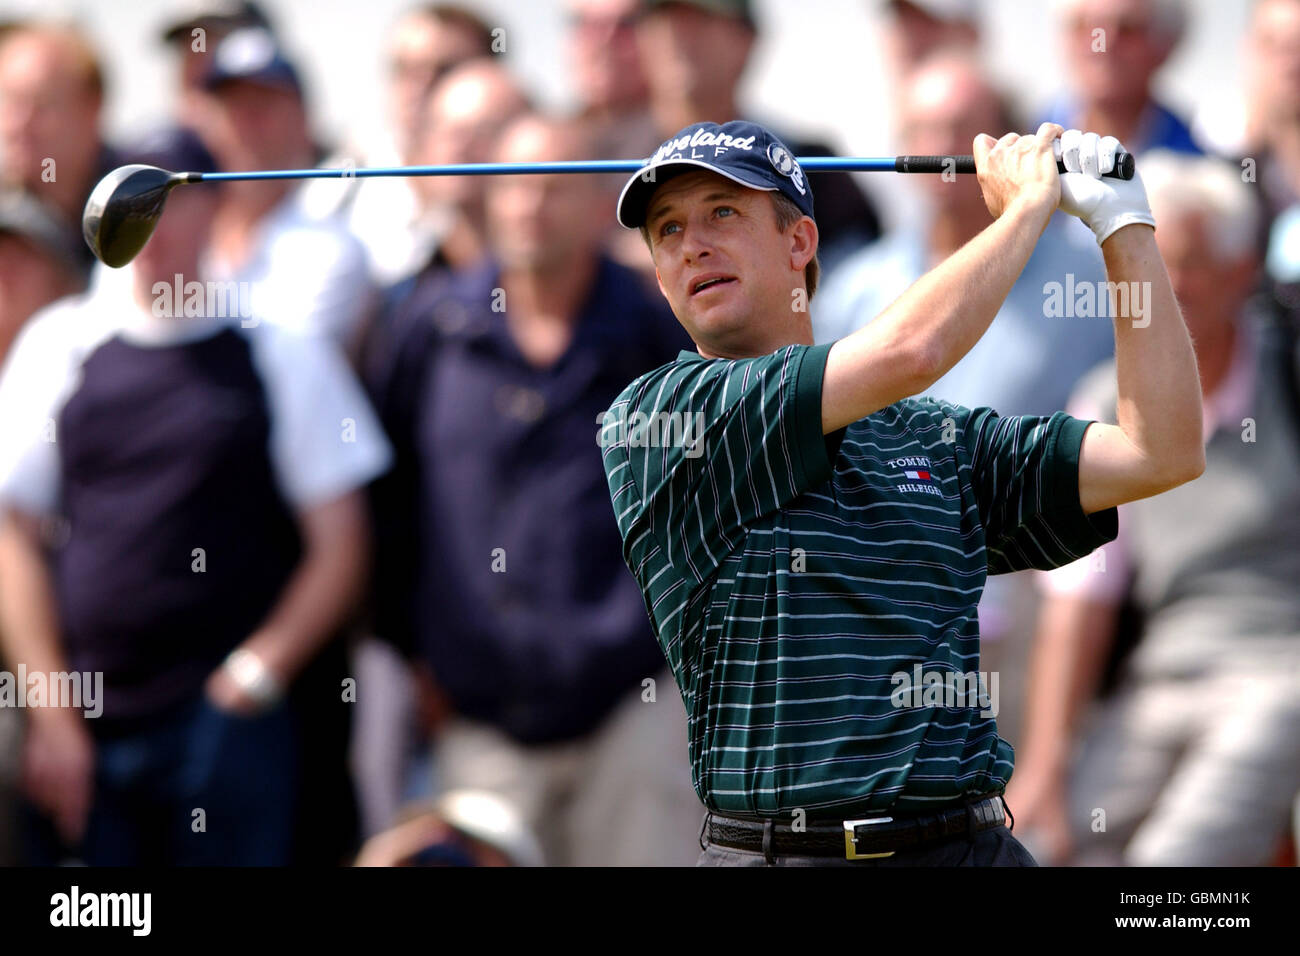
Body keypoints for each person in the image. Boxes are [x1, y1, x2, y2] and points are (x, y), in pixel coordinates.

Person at [602, 118, 1205, 866]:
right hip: (791, 853)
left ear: (799, 244)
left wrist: (1124, 225)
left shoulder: (935, 437)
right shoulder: (661, 417)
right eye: (667, 230)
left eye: (723, 212)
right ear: (659, 275)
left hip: (972, 846)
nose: (692, 242)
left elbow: (1161, 451)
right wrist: (1026, 211)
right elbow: (913, 349)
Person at [0, 129, 390, 866]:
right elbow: (11, 536)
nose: (148, 225)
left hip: (231, 732)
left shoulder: (280, 352)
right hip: (89, 734)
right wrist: (51, 716)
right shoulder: (60, 346)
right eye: (125, 200)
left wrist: (257, 675)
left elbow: (340, 538)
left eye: (166, 201)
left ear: (211, 210)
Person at [364, 114, 701, 866]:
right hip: (480, 719)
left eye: (553, 187)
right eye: (512, 184)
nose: (527, 205)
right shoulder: (433, 328)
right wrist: (410, 652)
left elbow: (711, 511)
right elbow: (386, 509)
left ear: (595, 202)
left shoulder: (656, 332)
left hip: (635, 709)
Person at [815, 52, 1117, 749]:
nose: (943, 145)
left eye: (963, 126)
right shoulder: (857, 288)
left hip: (1036, 608)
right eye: (926, 124)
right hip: (884, 620)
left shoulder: (1086, 275)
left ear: (1002, 144)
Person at [1008, 152, 1300, 867]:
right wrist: (1044, 766)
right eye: (1143, 265)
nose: (1158, 289)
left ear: (1239, 276)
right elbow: (1082, 599)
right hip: (1159, 680)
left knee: (1174, 868)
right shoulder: (1104, 401)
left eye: (1184, 264)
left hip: (1281, 674)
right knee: (1044, 845)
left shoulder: (1291, 375)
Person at [636, 0, 882, 272]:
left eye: (699, 20)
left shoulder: (809, 165)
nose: (677, 35)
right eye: (664, 21)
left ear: (747, 39)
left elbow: (862, 283)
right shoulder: (598, 163)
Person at [195, 27, 376, 352]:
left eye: (264, 104)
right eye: (231, 105)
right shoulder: (178, 230)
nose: (246, 123)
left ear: (303, 120)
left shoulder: (332, 250)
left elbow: (283, 361)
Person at [305, 4, 497, 285]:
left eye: (444, 70)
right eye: (405, 68)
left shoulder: (525, 183)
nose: (420, 86)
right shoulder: (338, 188)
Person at [0, 21, 122, 281]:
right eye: (11, 101)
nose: (20, 124)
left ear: (92, 108)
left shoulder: (146, 203)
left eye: (42, 104)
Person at [1042, 0, 1201, 156]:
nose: (1102, 44)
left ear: (1165, 44)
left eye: (1126, 28)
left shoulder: (1198, 170)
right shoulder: (1025, 142)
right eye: (1084, 24)